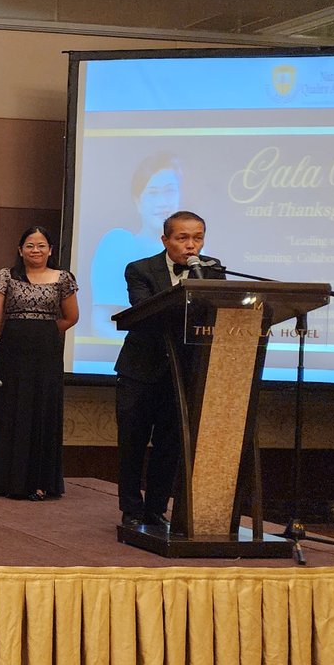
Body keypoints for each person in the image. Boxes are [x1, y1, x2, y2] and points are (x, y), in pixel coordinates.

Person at [114, 210, 220, 527]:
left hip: (184, 373)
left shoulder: (213, 271)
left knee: (170, 444)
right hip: (140, 370)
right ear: (165, 240)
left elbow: (215, 316)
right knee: (132, 442)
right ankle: (131, 509)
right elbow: (146, 310)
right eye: (182, 238)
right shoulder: (140, 269)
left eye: (197, 238)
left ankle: (157, 509)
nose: (191, 245)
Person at [0, 226, 80, 500]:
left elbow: (71, 317)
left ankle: (40, 481)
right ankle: (4, 480)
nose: (36, 250)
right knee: (12, 410)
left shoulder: (63, 278)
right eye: (30, 245)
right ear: (20, 250)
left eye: (41, 245)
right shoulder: (6, 276)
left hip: (47, 353)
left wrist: (43, 331)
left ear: (50, 250)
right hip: (13, 351)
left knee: (43, 410)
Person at [88, 153, 182, 337]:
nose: (163, 203)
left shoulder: (197, 257)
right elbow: (101, 324)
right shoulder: (119, 244)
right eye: (153, 193)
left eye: (170, 191)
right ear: (138, 202)